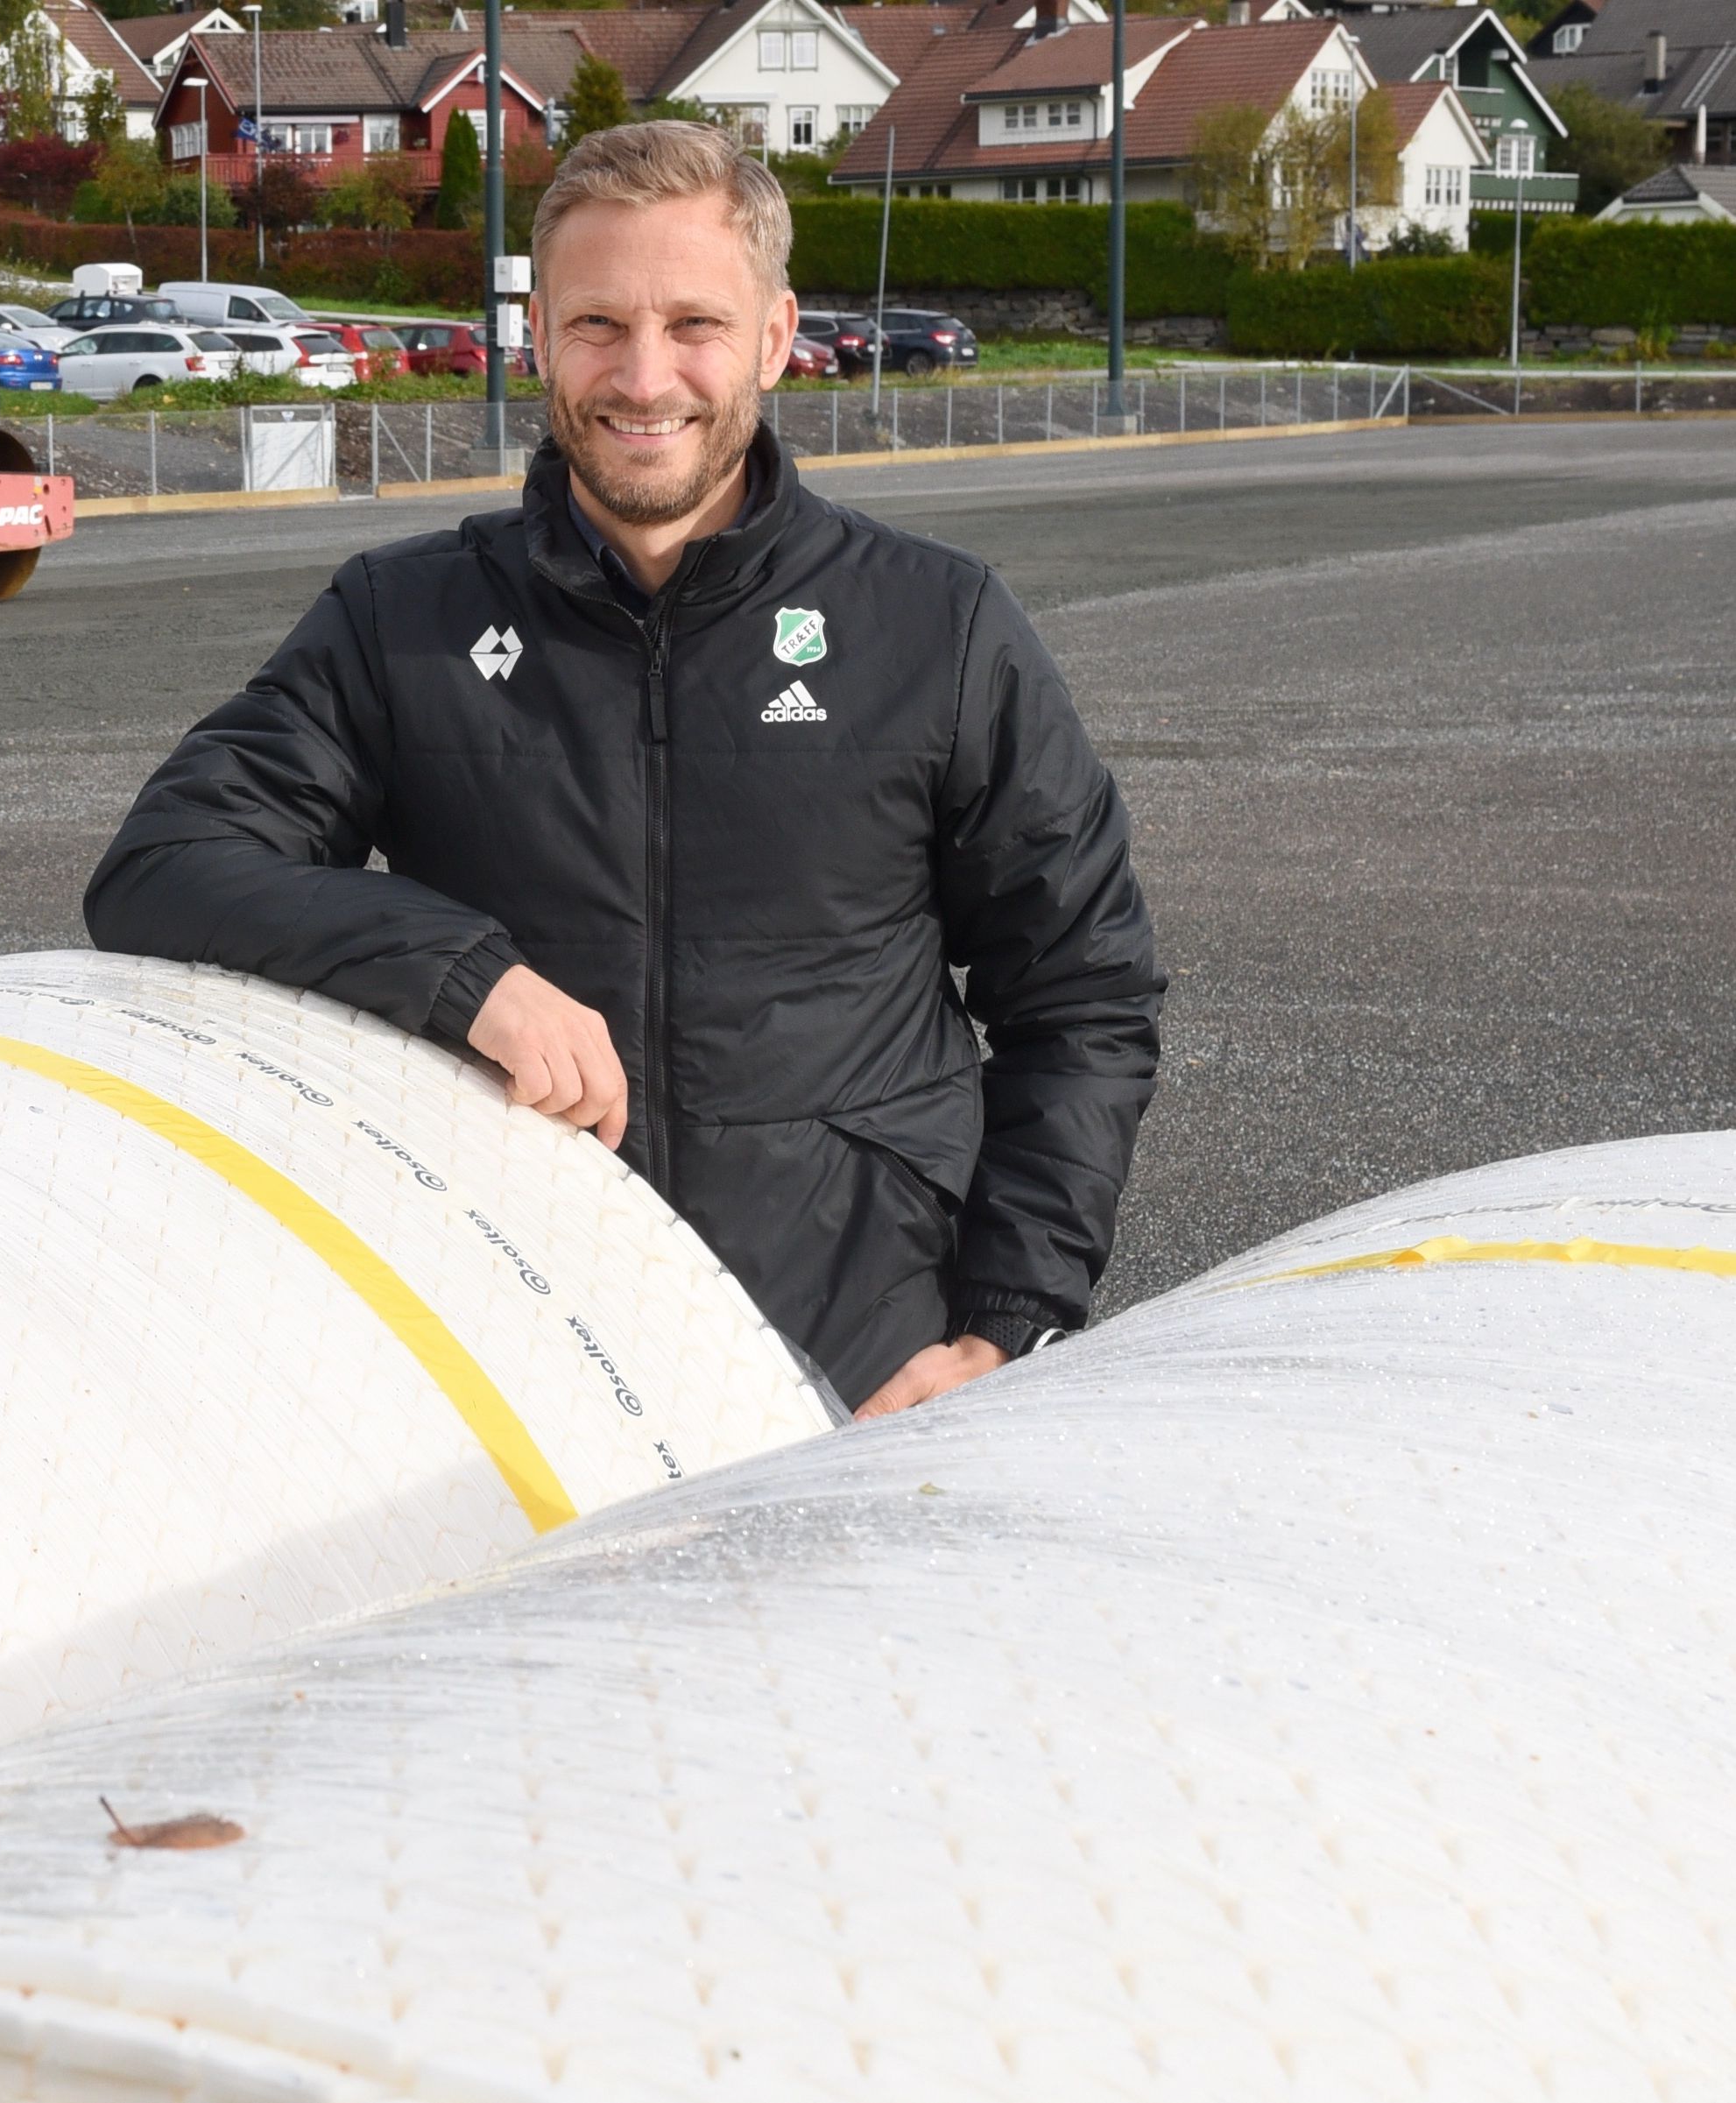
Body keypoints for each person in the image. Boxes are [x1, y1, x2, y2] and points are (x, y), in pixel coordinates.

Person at [84, 122, 1164, 1419]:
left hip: (867, 1363)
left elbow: (1083, 992)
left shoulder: (937, 625)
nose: (645, 378)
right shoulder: (402, 619)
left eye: (695, 324)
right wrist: (465, 976)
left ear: (774, 337)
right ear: (539, 335)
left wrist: (1005, 1322)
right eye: (598, 324)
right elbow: (168, 863)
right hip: (526, 1362)